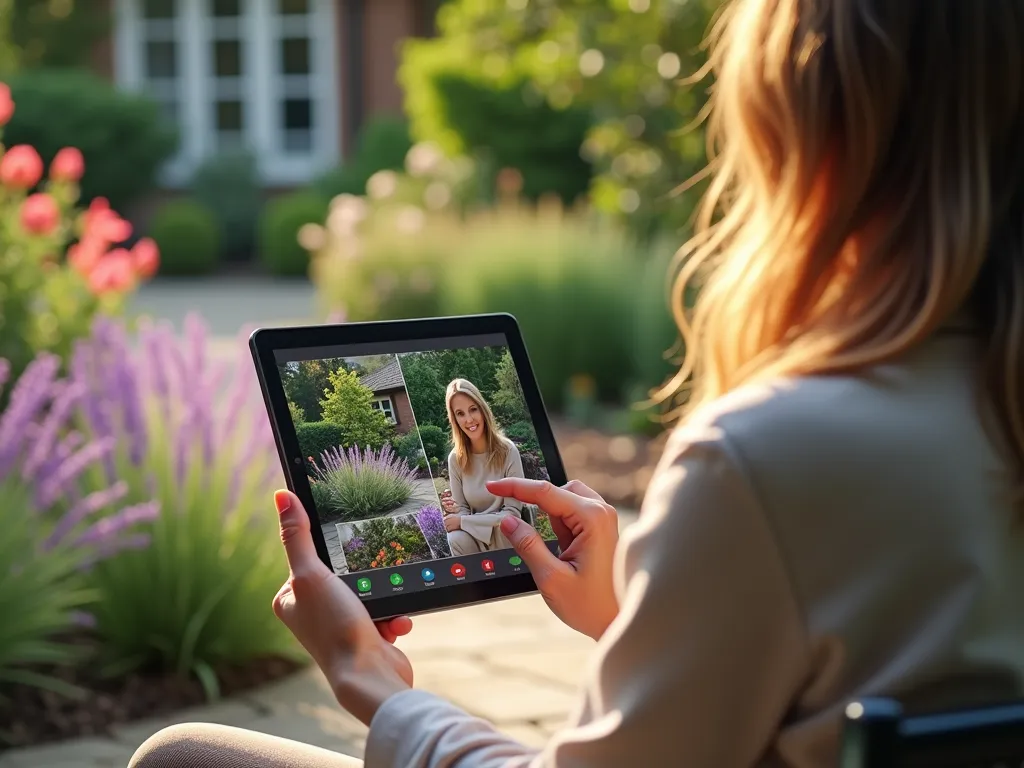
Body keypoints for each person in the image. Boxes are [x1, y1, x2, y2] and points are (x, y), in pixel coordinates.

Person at [129, 0, 1024, 765]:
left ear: (808, 144)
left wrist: (373, 686)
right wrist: (629, 621)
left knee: (183, 758)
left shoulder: (770, 457)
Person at [441, 378, 525, 556]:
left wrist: (463, 521)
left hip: (506, 532)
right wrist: (459, 520)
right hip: (474, 536)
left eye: (473, 409)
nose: (469, 419)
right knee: (455, 537)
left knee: (507, 526)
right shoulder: (455, 459)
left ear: (483, 409)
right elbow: (462, 510)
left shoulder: (508, 450)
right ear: (454, 419)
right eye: (460, 413)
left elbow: (513, 514)